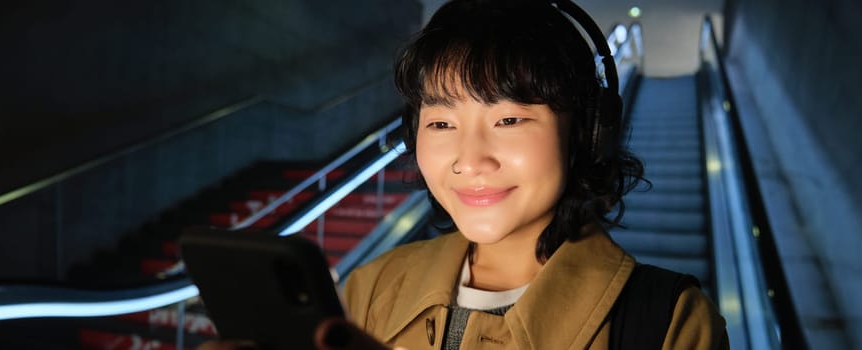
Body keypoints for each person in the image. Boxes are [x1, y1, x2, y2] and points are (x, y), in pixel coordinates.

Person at [205, 0, 728, 348]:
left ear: (587, 132)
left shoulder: (667, 322)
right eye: (440, 121)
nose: (469, 159)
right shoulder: (372, 287)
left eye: (508, 118)